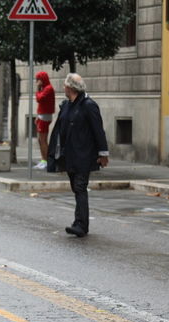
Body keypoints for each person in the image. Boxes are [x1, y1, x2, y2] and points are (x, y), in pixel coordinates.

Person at [47, 73, 109, 237]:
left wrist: (103, 153)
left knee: (80, 187)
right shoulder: (67, 105)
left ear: (70, 88)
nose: (63, 88)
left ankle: (81, 225)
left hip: (84, 154)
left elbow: (98, 130)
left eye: (64, 85)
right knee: (76, 188)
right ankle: (78, 222)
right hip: (70, 155)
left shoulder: (89, 105)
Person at [33, 71, 55, 170]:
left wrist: (37, 89)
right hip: (42, 115)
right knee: (40, 139)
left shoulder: (48, 89)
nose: (37, 82)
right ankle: (43, 159)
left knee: (43, 139)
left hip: (45, 116)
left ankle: (46, 160)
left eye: (38, 79)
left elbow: (39, 99)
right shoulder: (45, 88)